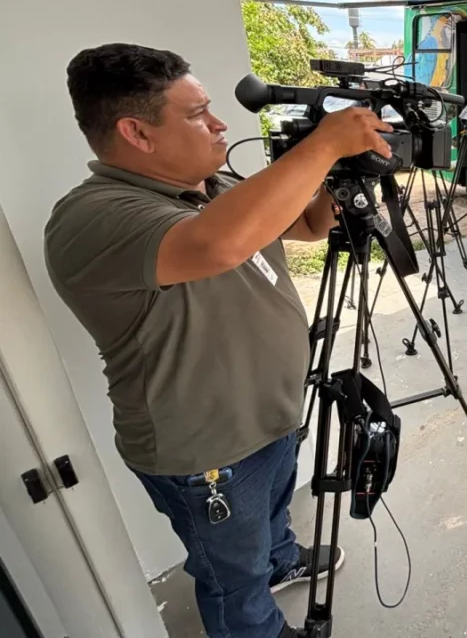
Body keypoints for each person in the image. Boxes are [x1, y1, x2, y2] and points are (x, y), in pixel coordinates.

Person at [44, 43, 394, 638]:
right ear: (137, 132)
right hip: (207, 450)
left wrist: (335, 178)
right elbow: (215, 246)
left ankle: (280, 556)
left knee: (272, 515)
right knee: (232, 577)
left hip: (272, 413)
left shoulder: (216, 182)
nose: (219, 123)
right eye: (198, 113)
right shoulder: (94, 216)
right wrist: (324, 143)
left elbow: (307, 225)